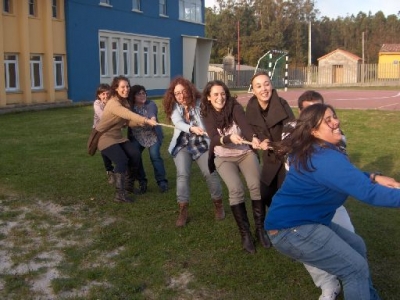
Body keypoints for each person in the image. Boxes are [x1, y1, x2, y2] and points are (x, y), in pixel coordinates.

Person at [265, 103, 400, 300]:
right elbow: (368, 193)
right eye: (328, 120)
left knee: (357, 245)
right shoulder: (323, 157)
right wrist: (371, 182)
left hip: (302, 223)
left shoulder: (316, 150)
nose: (336, 122)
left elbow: (342, 176)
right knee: (354, 269)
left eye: (334, 116)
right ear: (313, 130)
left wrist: (372, 176)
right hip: (292, 230)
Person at [294, 90, 355, 300]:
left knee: (348, 239)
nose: (323, 118)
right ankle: (328, 285)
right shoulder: (291, 134)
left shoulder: (336, 135)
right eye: (311, 111)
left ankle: (351, 276)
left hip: (330, 201)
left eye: (324, 111)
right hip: (303, 205)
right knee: (307, 246)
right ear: (302, 114)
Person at [200, 80, 271, 254]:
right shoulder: (206, 113)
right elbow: (214, 138)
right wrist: (229, 138)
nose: (220, 97)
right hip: (223, 157)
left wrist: (253, 138)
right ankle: (245, 234)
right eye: (215, 94)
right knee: (236, 189)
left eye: (223, 93)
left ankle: (260, 229)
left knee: (256, 186)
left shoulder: (234, 107)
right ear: (209, 97)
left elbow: (245, 127)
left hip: (244, 153)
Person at [163, 76, 224, 227]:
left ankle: (218, 204)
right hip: (182, 144)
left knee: (210, 172)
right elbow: (177, 122)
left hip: (201, 143)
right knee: (182, 174)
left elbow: (209, 121)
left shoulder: (200, 103)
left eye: (183, 92)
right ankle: (183, 209)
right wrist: (190, 128)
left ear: (190, 90)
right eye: (177, 93)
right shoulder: (175, 107)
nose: (181, 96)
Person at [96, 76, 158, 203]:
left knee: (135, 154)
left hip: (118, 136)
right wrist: (145, 120)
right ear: (116, 88)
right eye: (123, 87)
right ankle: (120, 194)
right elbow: (128, 114)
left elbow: (127, 121)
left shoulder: (123, 101)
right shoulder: (113, 103)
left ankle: (129, 186)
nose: (126, 89)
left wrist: (143, 123)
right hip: (105, 137)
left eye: (127, 86)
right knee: (122, 160)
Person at [245, 72, 295, 209]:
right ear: (253, 90)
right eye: (258, 86)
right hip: (269, 157)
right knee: (265, 194)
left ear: (271, 86)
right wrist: (258, 139)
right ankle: (275, 220)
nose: (263, 89)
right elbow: (249, 129)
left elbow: (292, 130)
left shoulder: (282, 104)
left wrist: (273, 144)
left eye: (266, 84)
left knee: (284, 194)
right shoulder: (251, 107)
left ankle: (286, 225)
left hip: (285, 156)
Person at [127, 85, 168, 194]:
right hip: (137, 136)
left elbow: (152, 114)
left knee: (155, 156)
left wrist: (152, 119)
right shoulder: (130, 108)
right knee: (135, 155)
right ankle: (142, 181)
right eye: (139, 94)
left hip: (152, 136)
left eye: (144, 93)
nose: (142, 95)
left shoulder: (150, 104)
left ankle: (162, 182)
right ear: (133, 96)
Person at [93, 83, 114, 185]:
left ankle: (120, 170)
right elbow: (102, 116)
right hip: (99, 131)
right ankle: (109, 171)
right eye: (103, 94)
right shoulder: (97, 103)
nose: (105, 96)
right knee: (104, 150)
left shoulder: (113, 102)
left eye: (107, 94)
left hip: (112, 130)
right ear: (99, 95)